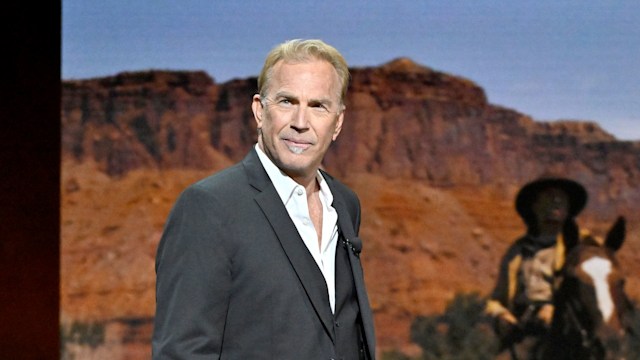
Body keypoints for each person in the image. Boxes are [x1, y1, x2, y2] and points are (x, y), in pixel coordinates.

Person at [152, 39, 376, 360]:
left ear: (337, 122)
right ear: (260, 111)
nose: (301, 122)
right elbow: (182, 352)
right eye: (286, 102)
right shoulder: (209, 207)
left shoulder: (344, 203)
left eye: (317, 106)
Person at [485, 176, 588, 358]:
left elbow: (594, 293)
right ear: (534, 205)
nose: (556, 201)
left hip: (568, 334)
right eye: (549, 196)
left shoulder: (583, 246)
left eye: (562, 197)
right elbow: (496, 300)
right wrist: (501, 315)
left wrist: (555, 311)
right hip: (525, 334)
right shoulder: (517, 251)